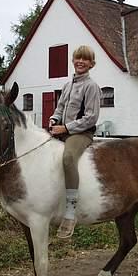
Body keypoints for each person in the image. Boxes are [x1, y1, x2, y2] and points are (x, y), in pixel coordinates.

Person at [49, 45, 101, 238]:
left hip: (81, 134)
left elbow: (91, 117)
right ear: (73, 60)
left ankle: (70, 212)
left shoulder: (91, 87)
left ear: (91, 64)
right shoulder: (67, 85)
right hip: (63, 130)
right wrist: (54, 119)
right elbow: (60, 108)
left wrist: (66, 128)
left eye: (85, 59)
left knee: (68, 158)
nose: (81, 62)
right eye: (78, 58)